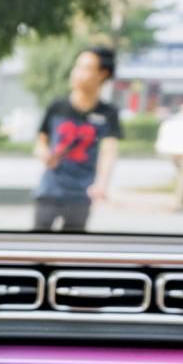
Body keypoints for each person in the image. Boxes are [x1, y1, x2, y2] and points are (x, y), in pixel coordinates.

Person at [33, 46, 121, 232]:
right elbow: (41, 141)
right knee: (38, 242)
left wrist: (102, 184)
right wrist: (44, 154)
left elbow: (109, 151)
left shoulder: (108, 113)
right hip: (50, 190)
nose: (77, 73)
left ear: (102, 74)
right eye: (77, 66)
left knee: (73, 244)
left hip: (81, 195)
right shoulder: (57, 106)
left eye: (86, 68)